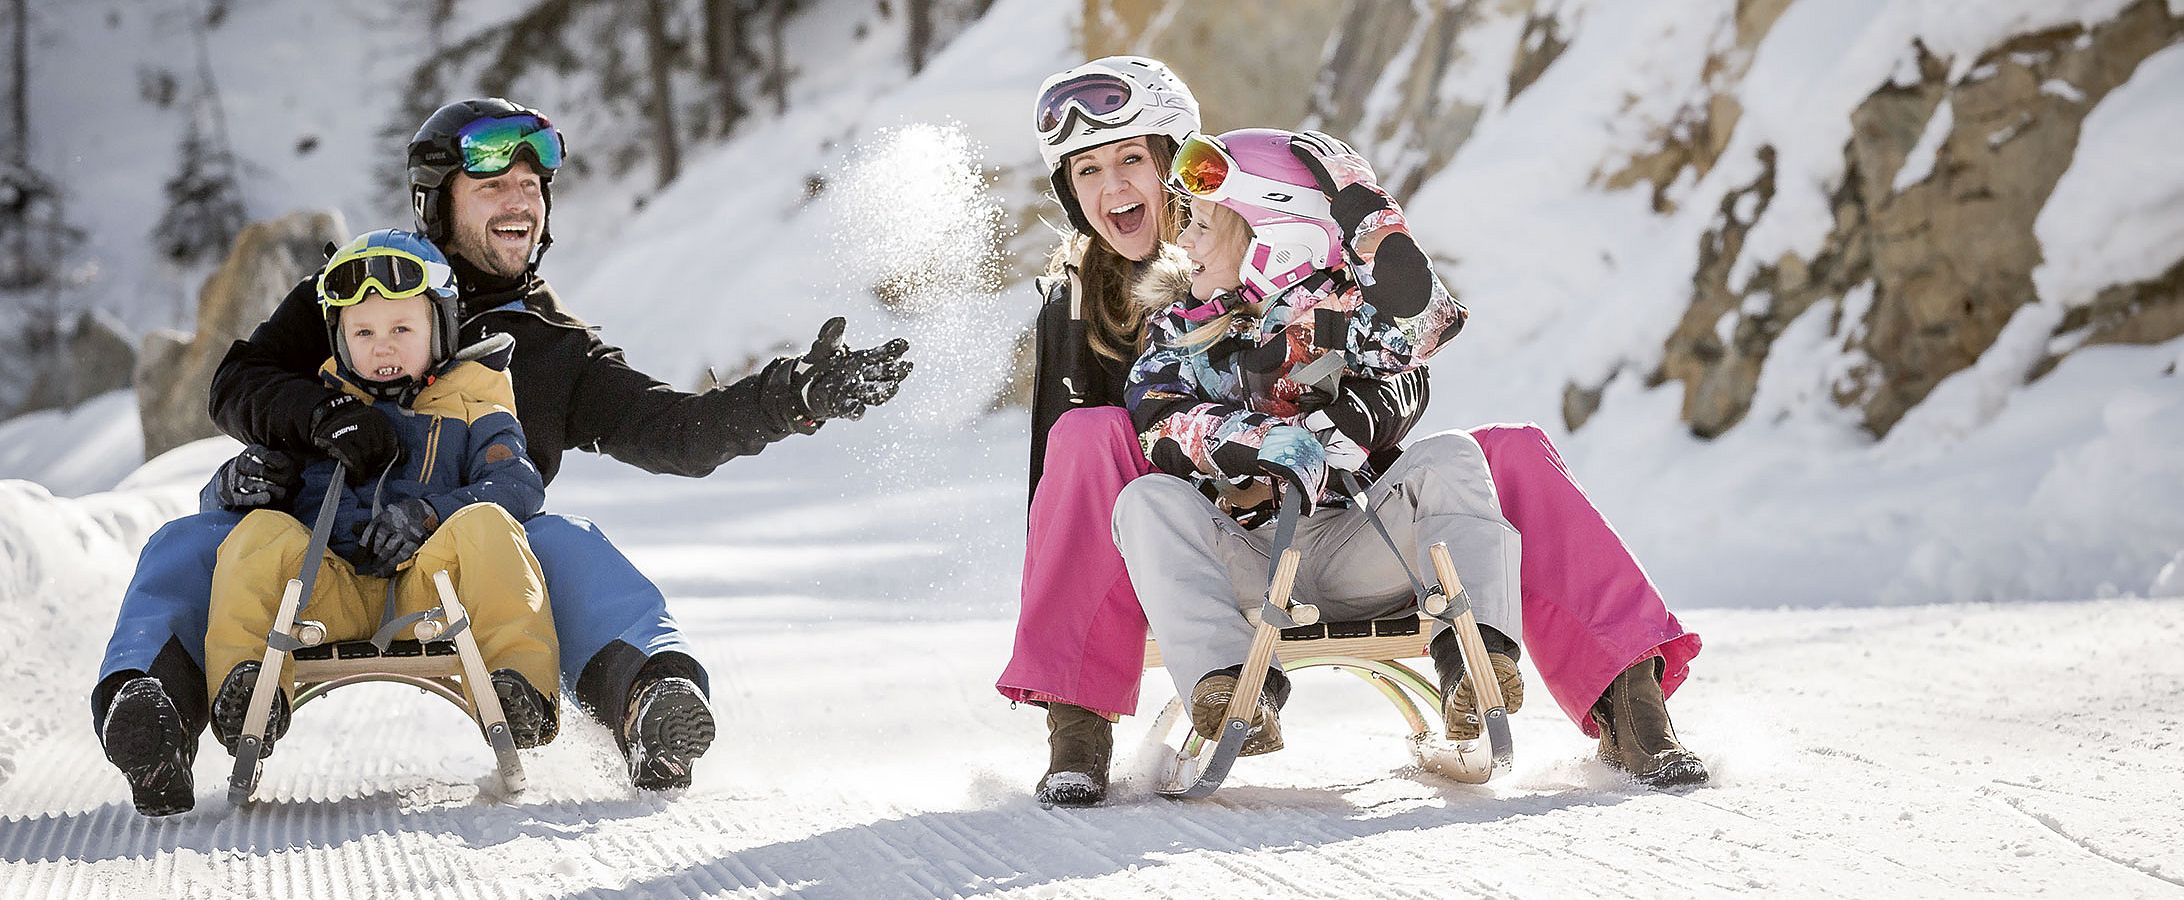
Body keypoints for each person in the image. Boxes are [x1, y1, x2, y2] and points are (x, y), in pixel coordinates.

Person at [94, 98, 913, 815]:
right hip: (312, 549)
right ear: (437, 202)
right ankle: (153, 714)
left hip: (464, 555)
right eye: (492, 184)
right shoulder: (357, 293)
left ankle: (648, 700)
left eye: (531, 186)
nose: (520, 198)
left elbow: (676, 433)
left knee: (564, 545)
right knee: (191, 544)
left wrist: (786, 399)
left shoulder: (550, 347)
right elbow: (239, 382)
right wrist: (323, 416)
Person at [1115, 127, 1711, 787]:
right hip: (1245, 561)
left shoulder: (1341, 314)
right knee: (1145, 501)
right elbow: (1159, 422)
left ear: (1272, 235)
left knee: (1454, 458)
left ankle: (1475, 665)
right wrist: (1262, 441)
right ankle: (1232, 693)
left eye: (1202, 224)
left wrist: (1369, 221)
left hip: (1360, 548)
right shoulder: (1181, 330)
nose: (1184, 242)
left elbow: (1427, 326)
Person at [996, 58, 1430, 806]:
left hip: (1323, 515)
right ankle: (1077, 727)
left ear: (1177, 165)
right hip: (1169, 543)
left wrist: (1343, 428)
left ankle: (1619, 695)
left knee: (1503, 456)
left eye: (1132, 159)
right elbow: (1056, 488)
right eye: (1089, 171)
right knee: (1089, 434)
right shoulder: (1073, 303)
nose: (1113, 189)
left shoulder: (1275, 246)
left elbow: (1395, 352)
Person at [199, 229, 560, 771]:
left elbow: (518, 484)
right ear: (339, 340)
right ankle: (249, 690)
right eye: (362, 332)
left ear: (440, 328)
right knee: (257, 537)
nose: (382, 346)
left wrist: (431, 512)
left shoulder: (472, 398)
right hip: (325, 593)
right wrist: (241, 480)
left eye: (400, 328)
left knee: (488, 524)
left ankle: (521, 690)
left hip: (432, 593)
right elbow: (217, 506)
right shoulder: (320, 409)